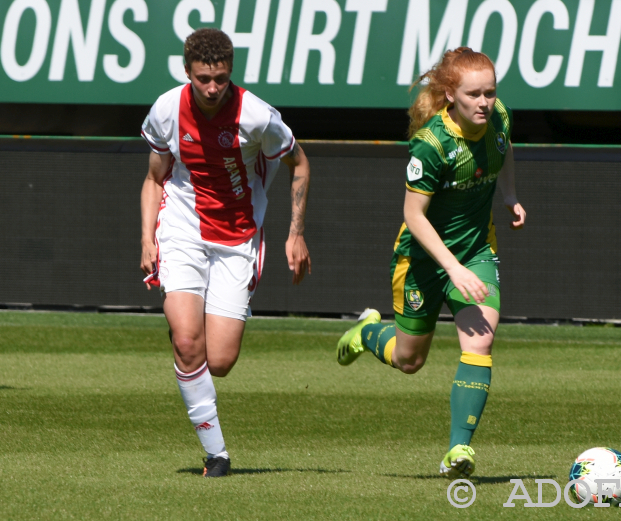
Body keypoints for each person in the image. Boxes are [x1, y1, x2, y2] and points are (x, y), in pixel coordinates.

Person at [336, 47, 525, 479]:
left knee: (479, 343)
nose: (484, 102)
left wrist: (510, 195)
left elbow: (505, 146)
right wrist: (451, 268)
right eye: (474, 94)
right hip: (421, 260)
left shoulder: (499, 118)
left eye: (490, 93)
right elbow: (413, 216)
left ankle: (459, 451)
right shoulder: (432, 145)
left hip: (477, 252)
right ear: (448, 95)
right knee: (409, 360)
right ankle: (367, 332)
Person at [140, 28, 311, 478]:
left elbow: (300, 164)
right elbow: (156, 177)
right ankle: (217, 454)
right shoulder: (166, 109)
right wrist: (146, 238)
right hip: (181, 230)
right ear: (187, 73)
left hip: (237, 239)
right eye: (203, 79)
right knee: (187, 341)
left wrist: (295, 234)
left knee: (220, 360)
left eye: (220, 78)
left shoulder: (256, 116)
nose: (212, 87)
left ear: (230, 71)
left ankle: (192, 353)